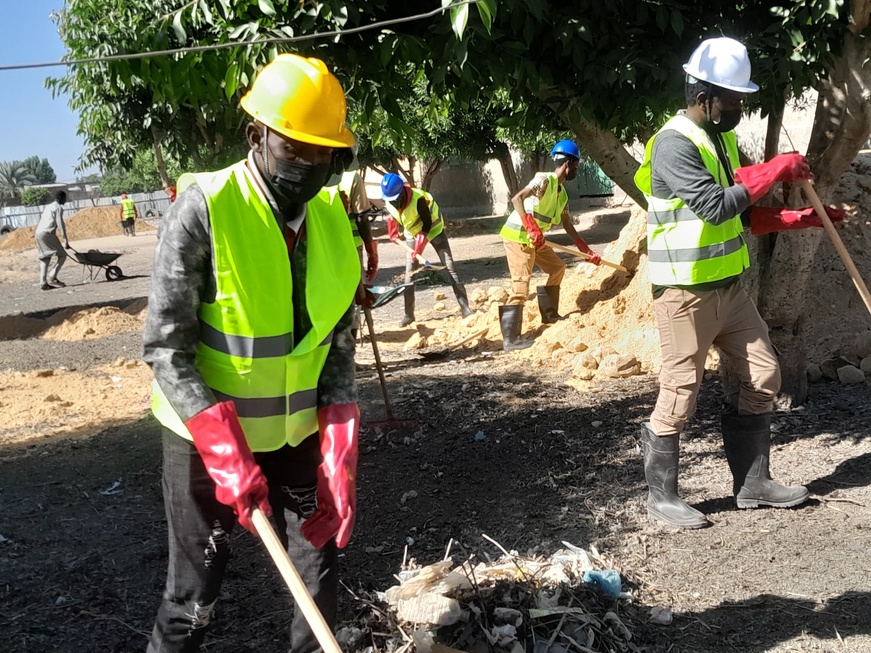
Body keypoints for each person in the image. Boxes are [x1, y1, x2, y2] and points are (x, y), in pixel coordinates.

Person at [142, 53, 361, 652]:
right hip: (205, 442)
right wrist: (223, 451)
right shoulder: (204, 211)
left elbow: (337, 339)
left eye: (325, 152)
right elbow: (165, 348)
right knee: (196, 597)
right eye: (295, 147)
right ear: (256, 135)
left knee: (318, 579)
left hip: (296, 435)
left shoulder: (332, 221)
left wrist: (339, 439)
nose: (311, 165)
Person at [633, 37, 845, 529]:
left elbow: (741, 213)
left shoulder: (717, 140)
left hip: (728, 289)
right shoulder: (673, 143)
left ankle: (752, 483)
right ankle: (660, 497)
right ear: (704, 94)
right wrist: (776, 169)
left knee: (763, 374)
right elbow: (714, 205)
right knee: (681, 391)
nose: (739, 108)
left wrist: (803, 218)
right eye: (733, 99)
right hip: (684, 293)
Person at [498, 140, 601, 351]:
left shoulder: (562, 194)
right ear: (569, 163)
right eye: (577, 165)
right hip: (519, 236)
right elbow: (517, 199)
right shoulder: (543, 180)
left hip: (536, 240)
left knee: (557, 268)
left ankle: (550, 315)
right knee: (520, 287)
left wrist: (586, 251)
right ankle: (511, 340)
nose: (577, 170)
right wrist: (531, 227)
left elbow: (567, 225)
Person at [380, 173, 472, 326]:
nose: (393, 203)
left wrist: (420, 245)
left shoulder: (418, 200)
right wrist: (392, 231)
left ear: (402, 191)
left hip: (434, 229)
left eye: (395, 199)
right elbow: (392, 216)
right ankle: (408, 315)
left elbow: (426, 224)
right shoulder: (390, 201)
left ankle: (465, 308)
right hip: (412, 235)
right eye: (390, 200)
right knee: (410, 275)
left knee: (450, 267)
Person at [34, 190, 69, 290]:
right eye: (64, 198)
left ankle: (43, 282)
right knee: (63, 255)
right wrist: (65, 240)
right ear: (60, 198)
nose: (65, 200)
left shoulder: (49, 207)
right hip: (47, 233)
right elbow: (60, 224)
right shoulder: (58, 207)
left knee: (45, 258)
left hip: (38, 233)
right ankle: (53, 276)